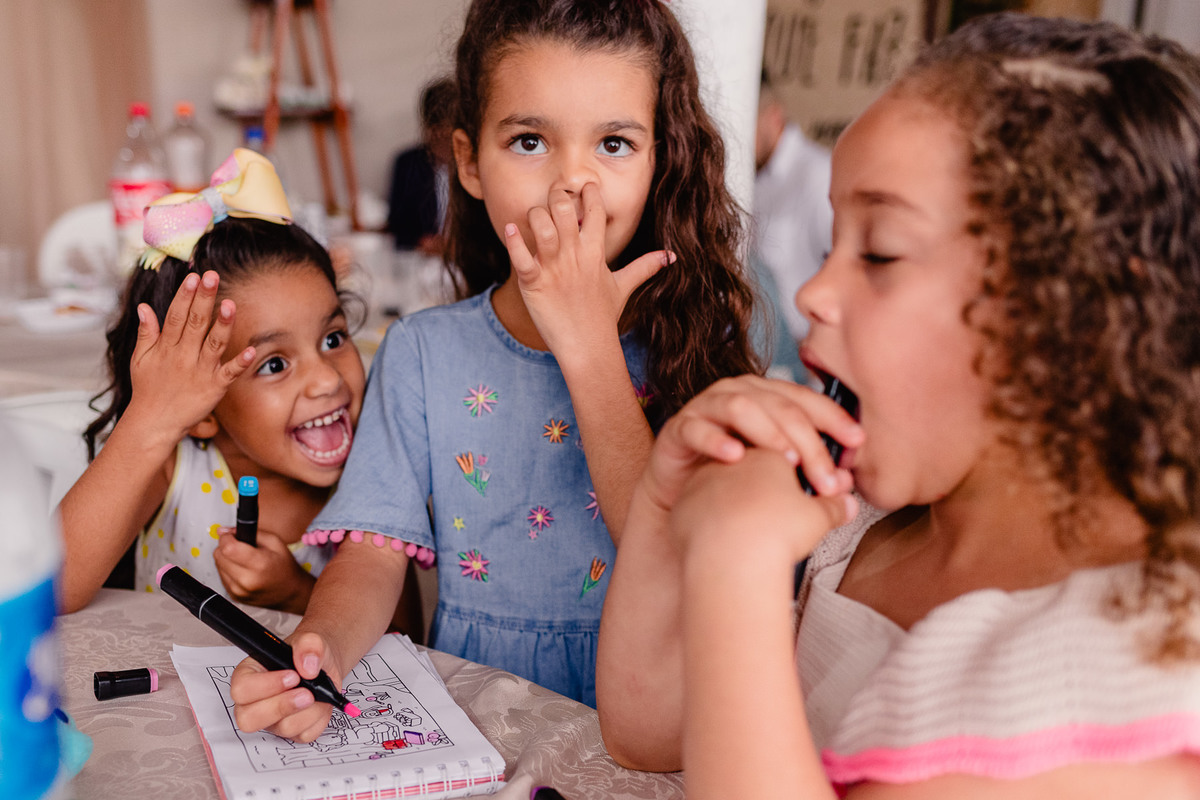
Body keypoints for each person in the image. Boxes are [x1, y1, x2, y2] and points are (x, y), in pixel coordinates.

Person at [596, 13, 1200, 798]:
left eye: (879, 252)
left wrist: (734, 564)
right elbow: (648, 733)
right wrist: (666, 496)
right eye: (829, 245)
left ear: (1073, 315)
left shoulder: (1128, 653)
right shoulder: (858, 537)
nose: (814, 293)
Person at [228, 0, 759, 738]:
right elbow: (373, 556)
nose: (573, 185)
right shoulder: (422, 352)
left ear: (659, 161)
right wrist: (319, 646)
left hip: (644, 715)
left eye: (613, 143)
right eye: (531, 140)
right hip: (472, 712)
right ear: (470, 163)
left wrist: (588, 345)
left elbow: (668, 559)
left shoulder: (694, 342)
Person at [58, 149, 421, 638]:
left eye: (333, 339)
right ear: (201, 409)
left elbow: (410, 640)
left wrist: (297, 591)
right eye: (274, 364)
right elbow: (54, 589)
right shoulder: (175, 467)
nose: (327, 380)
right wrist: (154, 419)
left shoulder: (374, 473)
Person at [751, 71, 832, 365]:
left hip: (805, 362)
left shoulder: (819, 177)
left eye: (745, 122)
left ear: (773, 116)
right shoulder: (749, 176)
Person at [386, 76, 456, 256]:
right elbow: (397, 226)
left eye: (447, 136)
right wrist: (423, 242)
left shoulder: (475, 166)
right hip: (422, 261)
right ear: (426, 128)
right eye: (436, 134)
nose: (442, 143)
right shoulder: (407, 164)